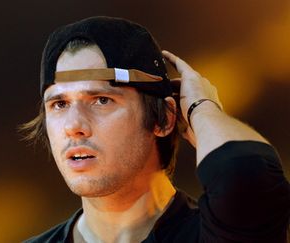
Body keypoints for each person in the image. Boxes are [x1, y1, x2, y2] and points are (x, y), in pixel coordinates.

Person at [21, 16, 290, 242]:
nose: (73, 126)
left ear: (164, 119)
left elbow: (247, 173)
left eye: (102, 100)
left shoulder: (218, 233)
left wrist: (202, 107)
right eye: (59, 104)